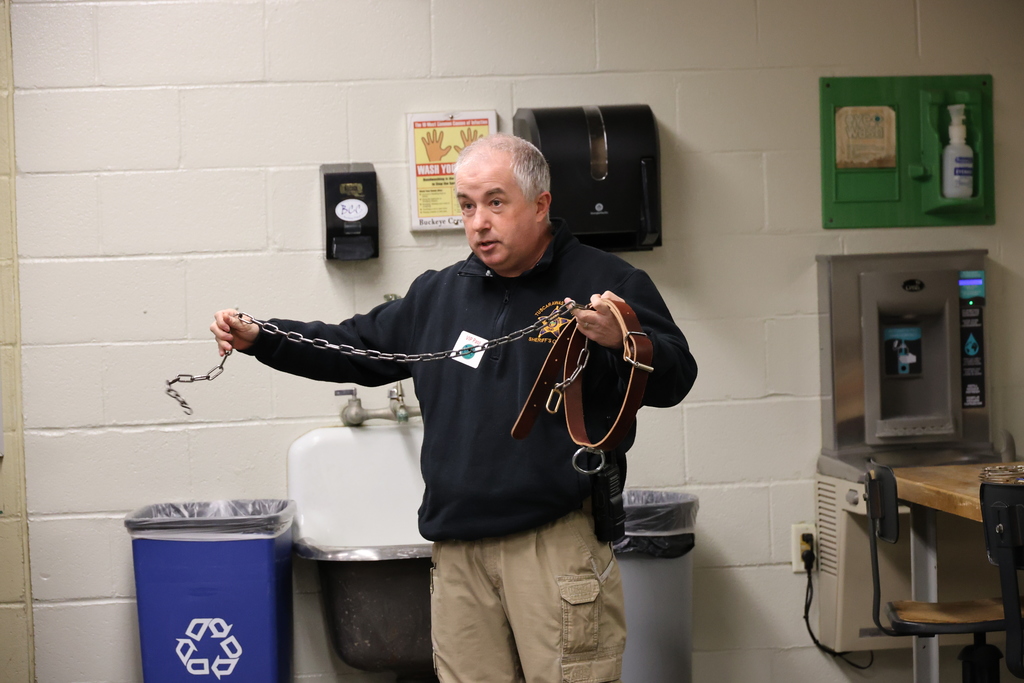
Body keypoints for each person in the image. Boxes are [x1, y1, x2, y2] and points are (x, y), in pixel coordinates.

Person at [211, 133, 697, 683]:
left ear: (540, 204)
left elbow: (677, 376)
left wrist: (623, 339)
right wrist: (263, 338)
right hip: (458, 550)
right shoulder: (439, 295)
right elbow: (354, 347)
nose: (479, 223)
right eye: (467, 206)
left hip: (554, 544)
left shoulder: (606, 283)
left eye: (495, 202)